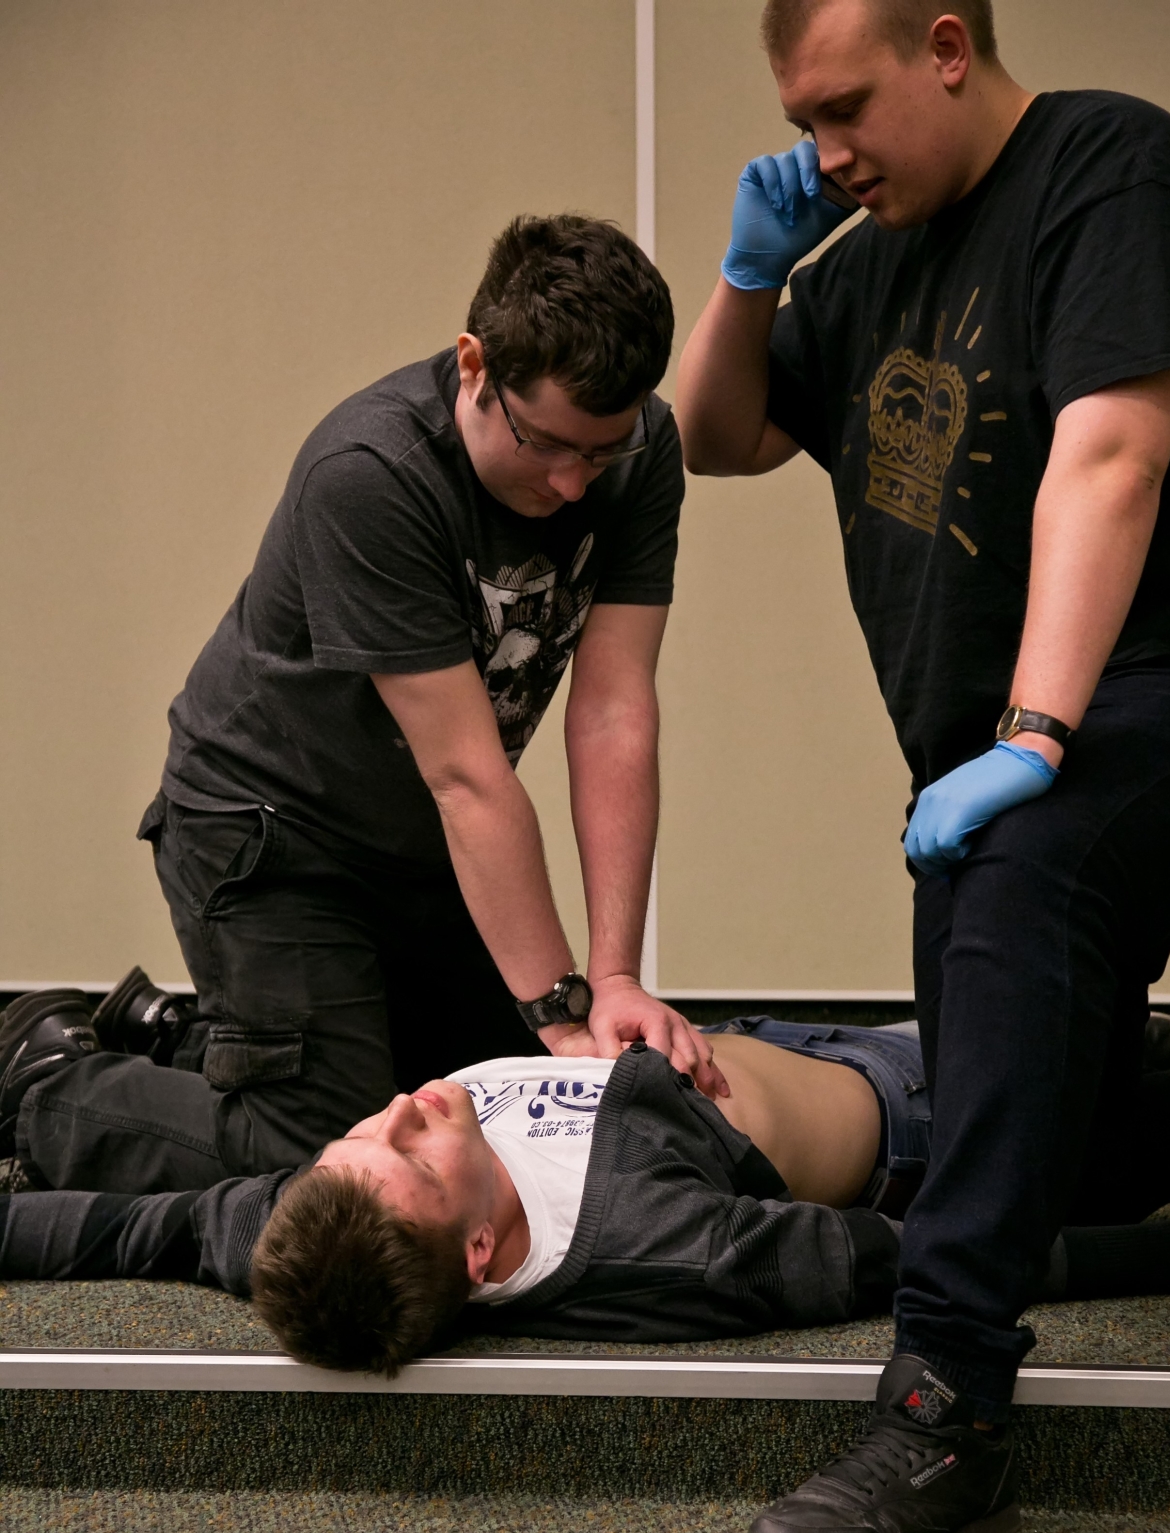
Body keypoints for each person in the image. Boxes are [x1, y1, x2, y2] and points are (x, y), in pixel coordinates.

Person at [675, 0, 1170, 1533]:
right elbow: (713, 434)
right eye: (801, 124)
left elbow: (1114, 455)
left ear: (947, 47)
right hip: (1015, 750)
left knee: (1023, 870)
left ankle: (941, 1408)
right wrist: (750, 276)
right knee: (1035, 1145)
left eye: (846, 107)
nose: (827, 153)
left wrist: (1031, 738)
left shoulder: (1112, 166)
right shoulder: (863, 262)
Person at [4, 1003, 1170, 1533]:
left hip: (754, 1033)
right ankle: (1091, 1075)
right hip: (906, 1116)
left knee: (1074, 1036)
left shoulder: (306, 1218)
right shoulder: (671, 1249)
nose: (394, 1110)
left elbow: (115, 1230)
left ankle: (1092, 1052)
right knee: (1158, 1115)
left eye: (358, 1140)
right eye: (410, 1152)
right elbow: (923, 1259)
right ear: (478, 1257)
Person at [0, 214, 725, 1197]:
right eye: (546, 443)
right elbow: (467, 776)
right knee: (339, 1157)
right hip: (268, 830)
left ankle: (183, 1042)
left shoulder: (640, 448)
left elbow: (612, 711)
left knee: (508, 1121)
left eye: (599, 453)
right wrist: (562, 1014)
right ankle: (41, 1080)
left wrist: (615, 980)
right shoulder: (372, 475)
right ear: (475, 365)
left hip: (416, 843)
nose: (570, 482)